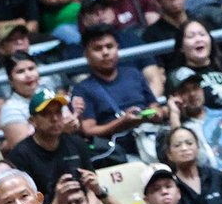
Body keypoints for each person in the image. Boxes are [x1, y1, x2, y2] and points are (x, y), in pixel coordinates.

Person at [70, 25, 163, 160]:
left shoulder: (133, 74)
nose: (105, 52)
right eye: (98, 48)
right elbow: (89, 130)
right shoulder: (83, 89)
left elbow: (154, 105)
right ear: (86, 55)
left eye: (109, 46)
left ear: (117, 48)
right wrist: (122, 122)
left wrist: (155, 113)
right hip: (119, 153)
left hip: (152, 139)